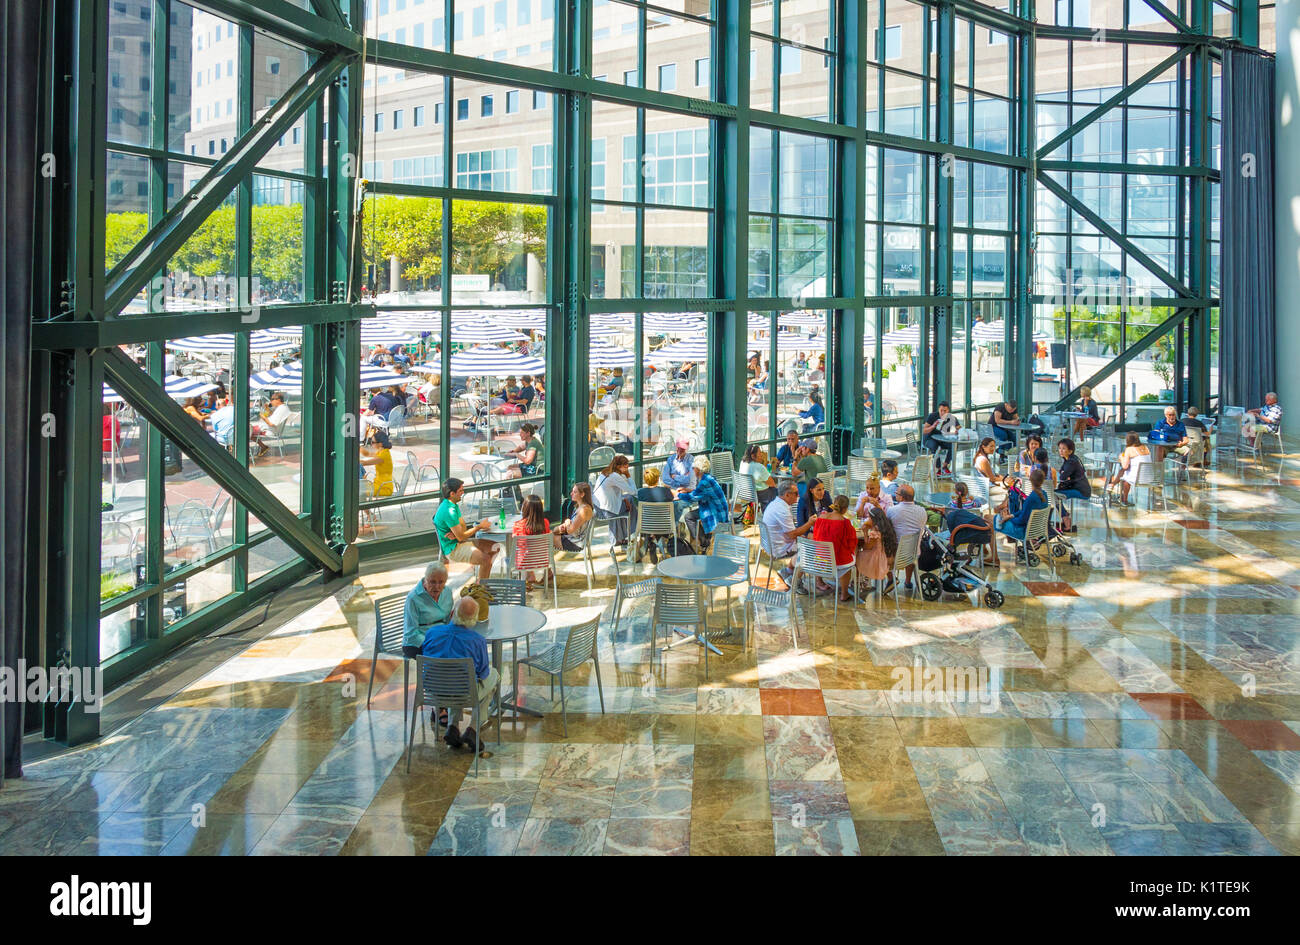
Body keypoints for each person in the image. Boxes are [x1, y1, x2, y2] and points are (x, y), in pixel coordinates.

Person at [420, 597, 498, 752]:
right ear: (474, 621)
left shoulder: (432, 633)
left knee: (454, 679)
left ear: (451, 614)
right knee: (493, 676)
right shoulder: (477, 641)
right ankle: (473, 729)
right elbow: (483, 674)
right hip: (464, 694)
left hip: (433, 694)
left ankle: (453, 727)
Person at [432, 478, 499, 581]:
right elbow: (462, 536)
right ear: (452, 494)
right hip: (453, 549)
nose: (463, 493)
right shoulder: (449, 511)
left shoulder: (452, 505)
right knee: (486, 560)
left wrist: (457, 534)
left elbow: (463, 529)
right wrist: (479, 527)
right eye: (460, 491)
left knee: (495, 547)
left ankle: (481, 580)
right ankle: (482, 587)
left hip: (459, 542)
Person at [761, 480, 816, 584]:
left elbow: (792, 533)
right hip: (779, 548)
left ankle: (788, 570)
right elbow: (792, 535)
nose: (798, 495)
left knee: (808, 539)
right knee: (812, 548)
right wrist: (809, 523)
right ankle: (795, 582)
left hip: (772, 543)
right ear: (787, 495)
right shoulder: (782, 509)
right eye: (796, 493)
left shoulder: (776, 503)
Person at [812, 494, 859, 601]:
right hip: (837, 561)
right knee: (851, 559)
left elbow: (815, 537)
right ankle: (844, 593)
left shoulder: (821, 518)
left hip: (819, 560)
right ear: (845, 509)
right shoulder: (845, 522)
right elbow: (851, 543)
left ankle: (820, 580)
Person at [678, 455, 729, 552]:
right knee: (693, 515)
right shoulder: (708, 478)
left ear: (698, 469)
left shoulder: (704, 482)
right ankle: (706, 538)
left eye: (693, 468)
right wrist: (687, 490)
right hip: (717, 508)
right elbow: (700, 492)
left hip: (715, 511)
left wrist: (677, 494)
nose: (692, 470)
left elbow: (692, 498)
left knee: (688, 517)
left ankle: (704, 542)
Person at [402, 562, 454, 657]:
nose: (437, 586)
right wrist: (433, 642)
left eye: (441, 582)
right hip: (417, 643)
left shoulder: (447, 592)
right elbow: (411, 633)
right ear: (425, 580)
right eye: (432, 582)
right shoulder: (413, 598)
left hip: (441, 637)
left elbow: (448, 621)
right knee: (446, 655)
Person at [886, 484, 928, 592]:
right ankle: (908, 581)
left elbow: (886, 529)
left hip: (897, 555)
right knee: (909, 547)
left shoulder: (892, 510)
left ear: (902, 497)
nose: (895, 495)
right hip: (914, 553)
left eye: (896, 493)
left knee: (879, 551)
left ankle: (891, 579)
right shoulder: (922, 511)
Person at [594, 454, 637, 545]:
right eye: (625, 468)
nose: (627, 470)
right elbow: (633, 491)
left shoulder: (605, 472)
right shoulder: (615, 476)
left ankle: (620, 538)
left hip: (598, 508)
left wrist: (623, 499)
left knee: (625, 502)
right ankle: (634, 531)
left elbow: (611, 494)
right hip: (606, 511)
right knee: (631, 500)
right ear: (618, 466)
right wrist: (628, 476)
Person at [998, 468, 1048, 546]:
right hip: (1037, 530)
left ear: (1030, 480)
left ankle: (993, 553)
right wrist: (1011, 515)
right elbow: (1025, 511)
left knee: (994, 521)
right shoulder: (1044, 494)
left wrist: (1009, 519)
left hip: (1024, 531)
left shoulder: (1031, 498)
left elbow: (1021, 520)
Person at [512, 494, 552, 589]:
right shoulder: (545, 523)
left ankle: (527, 577)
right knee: (529, 551)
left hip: (523, 563)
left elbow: (519, 544)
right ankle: (531, 575)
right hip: (542, 561)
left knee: (516, 552)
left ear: (524, 508)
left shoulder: (518, 525)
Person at [856, 504, 898, 590]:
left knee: (856, 556)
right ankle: (864, 580)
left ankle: (858, 581)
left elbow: (867, 547)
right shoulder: (886, 527)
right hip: (886, 555)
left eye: (869, 517)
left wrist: (865, 533)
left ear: (873, 519)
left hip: (877, 560)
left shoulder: (874, 532)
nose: (867, 519)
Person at [1055, 438, 1090, 532]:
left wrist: (1064, 475)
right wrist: (1064, 475)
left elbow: (1062, 477)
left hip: (1081, 491)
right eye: (1060, 448)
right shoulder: (1070, 459)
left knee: (1053, 495)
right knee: (1053, 493)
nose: (1060, 451)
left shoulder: (1071, 462)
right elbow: (1062, 473)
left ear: (1070, 451)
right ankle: (1065, 517)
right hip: (1078, 488)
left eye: (1063, 449)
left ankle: (1066, 520)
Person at [1108, 432, 1150, 506]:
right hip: (1149, 478)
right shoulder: (1145, 447)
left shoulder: (1129, 449)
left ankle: (1124, 500)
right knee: (1124, 471)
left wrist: (1121, 457)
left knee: (1125, 475)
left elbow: (1125, 466)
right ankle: (1112, 484)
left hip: (1137, 478)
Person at [553, 482, 595, 552]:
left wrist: (567, 522)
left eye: (575, 492)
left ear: (582, 494)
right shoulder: (579, 506)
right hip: (572, 538)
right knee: (549, 535)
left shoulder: (584, 510)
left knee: (546, 539)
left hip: (576, 543)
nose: (571, 493)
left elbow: (570, 530)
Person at [922, 401, 961, 473]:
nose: (943, 412)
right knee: (935, 446)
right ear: (938, 410)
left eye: (945, 411)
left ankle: (945, 466)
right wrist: (933, 426)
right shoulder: (932, 416)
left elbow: (959, 428)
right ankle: (939, 468)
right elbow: (924, 431)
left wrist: (957, 431)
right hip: (929, 438)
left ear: (948, 411)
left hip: (942, 439)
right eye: (941, 410)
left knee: (954, 445)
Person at [253, 392, 292, 457]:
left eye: (272, 399)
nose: (271, 401)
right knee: (249, 430)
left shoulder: (281, 409)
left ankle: (262, 447)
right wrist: (267, 409)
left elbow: (271, 424)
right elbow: (273, 416)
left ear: (278, 400)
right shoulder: (283, 408)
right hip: (272, 429)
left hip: (269, 431)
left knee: (247, 431)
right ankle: (263, 447)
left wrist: (263, 417)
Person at [739, 444, 778, 508]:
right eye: (759, 453)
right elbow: (772, 484)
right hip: (758, 494)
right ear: (753, 456)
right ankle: (768, 512)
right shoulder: (759, 467)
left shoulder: (742, 463)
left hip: (744, 493)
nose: (761, 455)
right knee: (777, 491)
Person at [359, 428, 395, 497]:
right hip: (378, 484)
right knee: (360, 488)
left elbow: (365, 463)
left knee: (360, 491)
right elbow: (367, 454)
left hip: (384, 488)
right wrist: (359, 447)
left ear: (380, 444)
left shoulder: (384, 455)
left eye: (372, 442)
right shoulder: (381, 451)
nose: (371, 444)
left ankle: (364, 504)